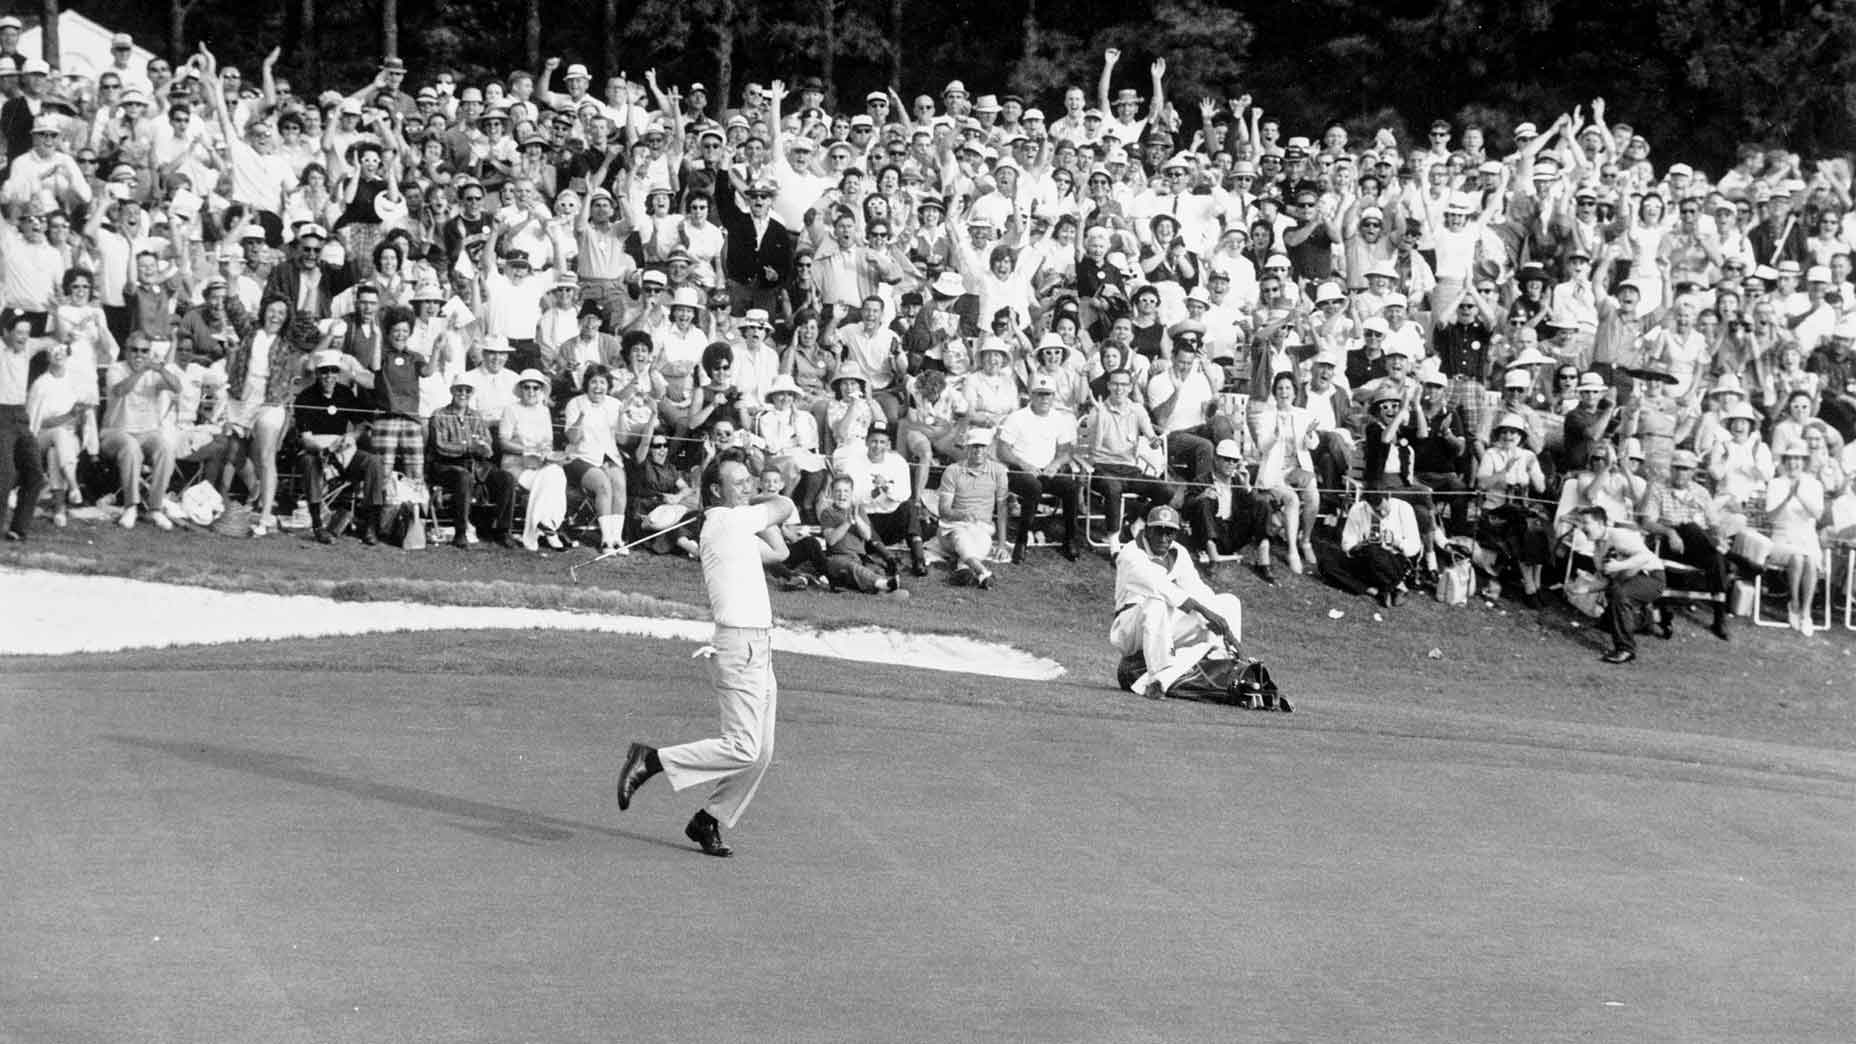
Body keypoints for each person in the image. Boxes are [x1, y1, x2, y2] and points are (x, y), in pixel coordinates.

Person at [615, 453, 798, 858]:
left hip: (758, 646)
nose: (748, 486)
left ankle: (708, 819)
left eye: (751, 480)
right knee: (743, 748)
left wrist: (757, 507)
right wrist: (766, 501)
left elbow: (779, 553)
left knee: (761, 752)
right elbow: (785, 506)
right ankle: (652, 760)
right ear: (716, 490)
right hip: (739, 646)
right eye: (740, 482)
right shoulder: (729, 521)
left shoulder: (731, 525)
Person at [1108, 504, 1244, 700]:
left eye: (1170, 532)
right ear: (1147, 530)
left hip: (1161, 624)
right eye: (1159, 531)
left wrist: (1224, 626)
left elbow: (1197, 590)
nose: (1164, 538)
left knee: (1228, 602)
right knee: (1156, 602)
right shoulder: (1131, 553)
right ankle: (1156, 679)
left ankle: (1226, 663)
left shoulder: (1178, 552)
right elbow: (1161, 588)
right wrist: (1207, 614)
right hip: (1130, 630)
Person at [1640, 448, 1731, 640]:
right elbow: (1647, 522)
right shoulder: (1657, 488)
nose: (1681, 473)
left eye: (1686, 469)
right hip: (1670, 544)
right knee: (1691, 529)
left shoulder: (1701, 492)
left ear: (1693, 472)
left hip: (1697, 546)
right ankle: (1735, 560)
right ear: (1671, 469)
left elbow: (1714, 523)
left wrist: (1720, 537)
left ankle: (1719, 619)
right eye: (1677, 468)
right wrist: (1671, 532)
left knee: (1713, 553)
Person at [1572, 506, 1666, 665]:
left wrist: (1620, 566)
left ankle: (1626, 650)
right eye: (1580, 523)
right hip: (1626, 580)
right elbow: (1607, 581)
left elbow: (1644, 556)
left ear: (1601, 523)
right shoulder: (1597, 551)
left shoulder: (1618, 535)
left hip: (1652, 577)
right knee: (1613, 605)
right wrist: (1585, 589)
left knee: (1620, 594)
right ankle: (1653, 617)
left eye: (1586, 523)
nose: (1582, 527)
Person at [935, 426, 1010, 588]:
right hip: (953, 527)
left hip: (982, 527)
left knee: (982, 538)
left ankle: (963, 568)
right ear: (967, 447)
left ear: (989, 448)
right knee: (961, 535)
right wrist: (961, 515)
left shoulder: (998, 471)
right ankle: (982, 571)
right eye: (975, 446)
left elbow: (1002, 508)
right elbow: (943, 510)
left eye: (982, 446)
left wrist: (1002, 544)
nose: (978, 450)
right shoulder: (953, 470)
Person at [1337, 487, 1424, 607]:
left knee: (1374, 553)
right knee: (1326, 563)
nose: (1382, 514)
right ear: (1367, 504)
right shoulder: (1358, 509)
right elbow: (1347, 543)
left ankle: (1384, 585)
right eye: (1377, 511)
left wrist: (1396, 541)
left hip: (1394, 562)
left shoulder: (1403, 508)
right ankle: (1384, 589)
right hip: (1367, 561)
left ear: (1389, 498)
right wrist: (1362, 545)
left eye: (1384, 509)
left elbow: (1414, 549)